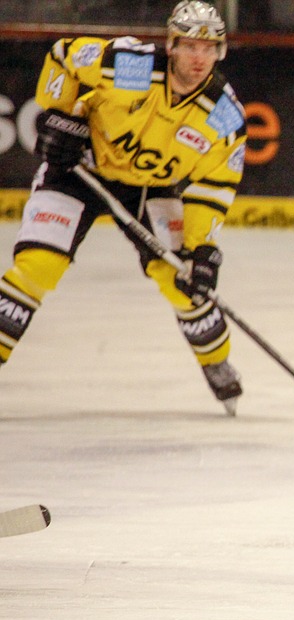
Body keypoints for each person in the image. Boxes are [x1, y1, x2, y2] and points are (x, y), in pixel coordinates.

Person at [0, 0, 247, 414]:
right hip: (79, 169)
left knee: (183, 280)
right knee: (37, 266)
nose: (199, 57)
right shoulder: (127, 64)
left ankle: (216, 361)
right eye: (190, 46)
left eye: (209, 48)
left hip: (150, 187)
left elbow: (215, 183)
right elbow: (64, 57)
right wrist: (58, 115)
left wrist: (201, 247)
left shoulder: (224, 116)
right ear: (171, 46)